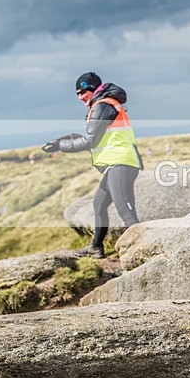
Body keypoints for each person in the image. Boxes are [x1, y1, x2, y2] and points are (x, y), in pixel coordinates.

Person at [42, 72, 143, 259]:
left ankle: (142, 253)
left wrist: (61, 147)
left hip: (120, 162)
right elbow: (94, 136)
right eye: (77, 94)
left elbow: (90, 141)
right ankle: (96, 247)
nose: (80, 97)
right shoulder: (103, 104)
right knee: (98, 205)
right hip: (116, 164)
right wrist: (60, 141)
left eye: (82, 92)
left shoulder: (102, 105)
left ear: (92, 89)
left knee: (126, 213)